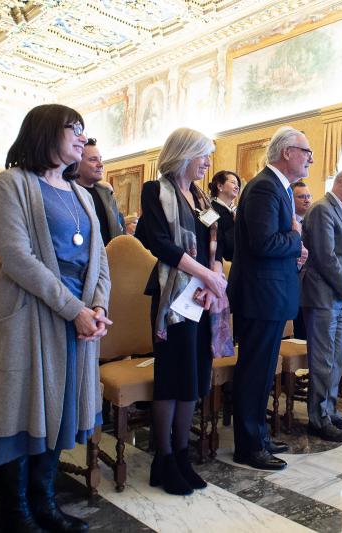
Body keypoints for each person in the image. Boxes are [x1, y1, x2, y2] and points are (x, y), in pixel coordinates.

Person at [0, 104, 112, 532]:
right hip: (30, 315)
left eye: (83, 130)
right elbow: (17, 257)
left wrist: (97, 307)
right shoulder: (12, 184)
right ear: (44, 132)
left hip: (77, 318)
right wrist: (75, 309)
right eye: (73, 128)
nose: (81, 137)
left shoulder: (82, 194)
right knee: (23, 410)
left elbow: (100, 261)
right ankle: (16, 513)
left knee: (60, 411)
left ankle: (45, 503)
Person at [135, 127, 229, 495]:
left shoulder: (202, 199)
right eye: (203, 155)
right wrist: (206, 275)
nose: (208, 162)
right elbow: (158, 242)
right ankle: (164, 458)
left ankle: (182, 457)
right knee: (173, 378)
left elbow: (215, 247)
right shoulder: (156, 191)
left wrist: (213, 280)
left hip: (200, 297)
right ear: (183, 154)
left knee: (194, 376)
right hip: (173, 298)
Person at [228, 126, 309, 470]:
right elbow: (262, 244)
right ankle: (248, 446)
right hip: (261, 295)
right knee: (254, 371)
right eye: (306, 152)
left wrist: (293, 250)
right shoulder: (264, 187)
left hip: (271, 293)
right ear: (287, 152)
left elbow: (273, 243)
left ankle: (258, 435)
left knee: (262, 372)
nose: (309, 159)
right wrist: (295, 240)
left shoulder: (279, 187)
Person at [301, 167, 342, 442]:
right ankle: (318, 418)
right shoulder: (321, 210)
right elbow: (325, 256)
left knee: (337, 358)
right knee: (323, 359)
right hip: (322, 295)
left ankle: (330, 410)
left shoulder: (338, 211)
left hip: (336, 296)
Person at [75, 138, 123, 245]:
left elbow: (118, 229)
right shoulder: (70, 193)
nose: (100, 164)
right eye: (93, 159)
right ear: (76, 163)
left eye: (100, 159)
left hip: (111, 258)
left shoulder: (106, 192)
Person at [292, 180, 313, 338]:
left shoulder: (312, 222)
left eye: (308, 196)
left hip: (312, 281)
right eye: (301, 197)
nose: (307, 200)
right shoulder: (288, 222)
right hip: (295, 280)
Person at [208, 170, 241, 261]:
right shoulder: (210, 211)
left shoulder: (237, 211)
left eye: (238, 184)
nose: (237, 187)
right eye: (233, 182)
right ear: (220, 186)